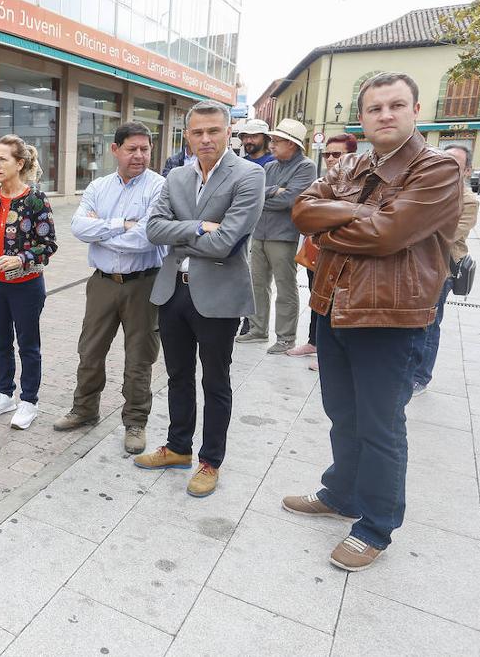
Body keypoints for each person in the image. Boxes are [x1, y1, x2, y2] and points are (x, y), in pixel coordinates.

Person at [286, 72, 462, 572]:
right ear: (361, 117)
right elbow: (302, 210)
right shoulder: (354, 162)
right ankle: (340, 493)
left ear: (415, 110)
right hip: (334, 305)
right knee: (343, 412)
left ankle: (376, 526)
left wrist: (333, 224)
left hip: (391, 315)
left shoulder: (438, 170)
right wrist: (355, 215)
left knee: (381, 425)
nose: (386, 114)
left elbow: (388, 235)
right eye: (375, 108)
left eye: (396, 105)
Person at [139, 100, 266, 498]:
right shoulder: (175, 176)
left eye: (214, 130)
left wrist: (184, 235)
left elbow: (227, 243)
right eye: (198, 132)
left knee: (215, 380)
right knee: (177, 376)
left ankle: (210, 460)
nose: (206, 139)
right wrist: (198, 226)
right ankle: (178, 447)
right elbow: (153, 230)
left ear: (229, 131)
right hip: (173, 290)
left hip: (218, 296)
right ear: (187, 135)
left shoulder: (248, 175)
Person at [54, 122, 167, 454]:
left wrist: (103, 231)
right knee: (90, 351)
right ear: (115, 150)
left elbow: (148, 236)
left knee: (139, 357)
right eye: (132, 149)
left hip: (144, 283)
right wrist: (121, 224)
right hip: (102, 284)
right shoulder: (98, 187)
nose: (139, 155)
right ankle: (84, 409)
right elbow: (78, 226)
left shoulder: (160, 188)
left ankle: (135, 421)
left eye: (145, 149)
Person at [0, 135, 58, 430]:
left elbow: (48, 244)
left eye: (3, 159)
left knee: (28, 345)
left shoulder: (35, 199)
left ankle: (29, 401)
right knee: (0, 342)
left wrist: (20, 258)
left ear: (19, 163)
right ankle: (4, 393)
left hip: (26, 285)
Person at [236, 119, 318, 354]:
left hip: (284, 236)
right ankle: (258, 329)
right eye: (272, 140)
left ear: (292, 145)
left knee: (285, 287)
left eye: (277, 141)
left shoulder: (306, 167)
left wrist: (267, 198)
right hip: (260, 233)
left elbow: (291, 200)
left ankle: (285, 337)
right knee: (257, 285)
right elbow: (253, 195)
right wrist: (273, 191)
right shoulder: (270, 167)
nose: (272, 145)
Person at [409, 144, 480, 394]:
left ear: (467, 171)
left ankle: (421, 376)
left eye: (454, 165)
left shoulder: (469, 201)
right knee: (411, 323)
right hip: (414, 265)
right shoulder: (426, 192)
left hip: (441, 268)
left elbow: (448, 234)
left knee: (429, 324)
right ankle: (406, 369)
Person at [287, 134, 358, 369]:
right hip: (316, 251)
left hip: (341, 256)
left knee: (335, 303)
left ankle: (331, 353)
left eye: (336, 154)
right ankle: (314, 342)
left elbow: (356, 225)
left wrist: (325, 220)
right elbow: (303, 214)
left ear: (351, 156)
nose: (329, 159)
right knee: (316, 298)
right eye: (326, 154)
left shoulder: (358, 186)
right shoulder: (322, 181)